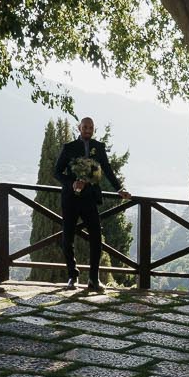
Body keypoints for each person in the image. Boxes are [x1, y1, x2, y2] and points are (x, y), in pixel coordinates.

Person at [54, 116, 128, 289]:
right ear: (79, 128)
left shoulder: (99, 147)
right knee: (68, 238)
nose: (88, 130)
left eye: (91, 127)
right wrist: (71, 183)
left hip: (90, 199)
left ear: (93, 129)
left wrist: (119, 189)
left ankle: (94, 279)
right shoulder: (69, 148)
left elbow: (107, 170)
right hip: (70, 199)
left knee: (96, 238)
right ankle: (72, 276)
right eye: (85, 127)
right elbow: (57, 172)